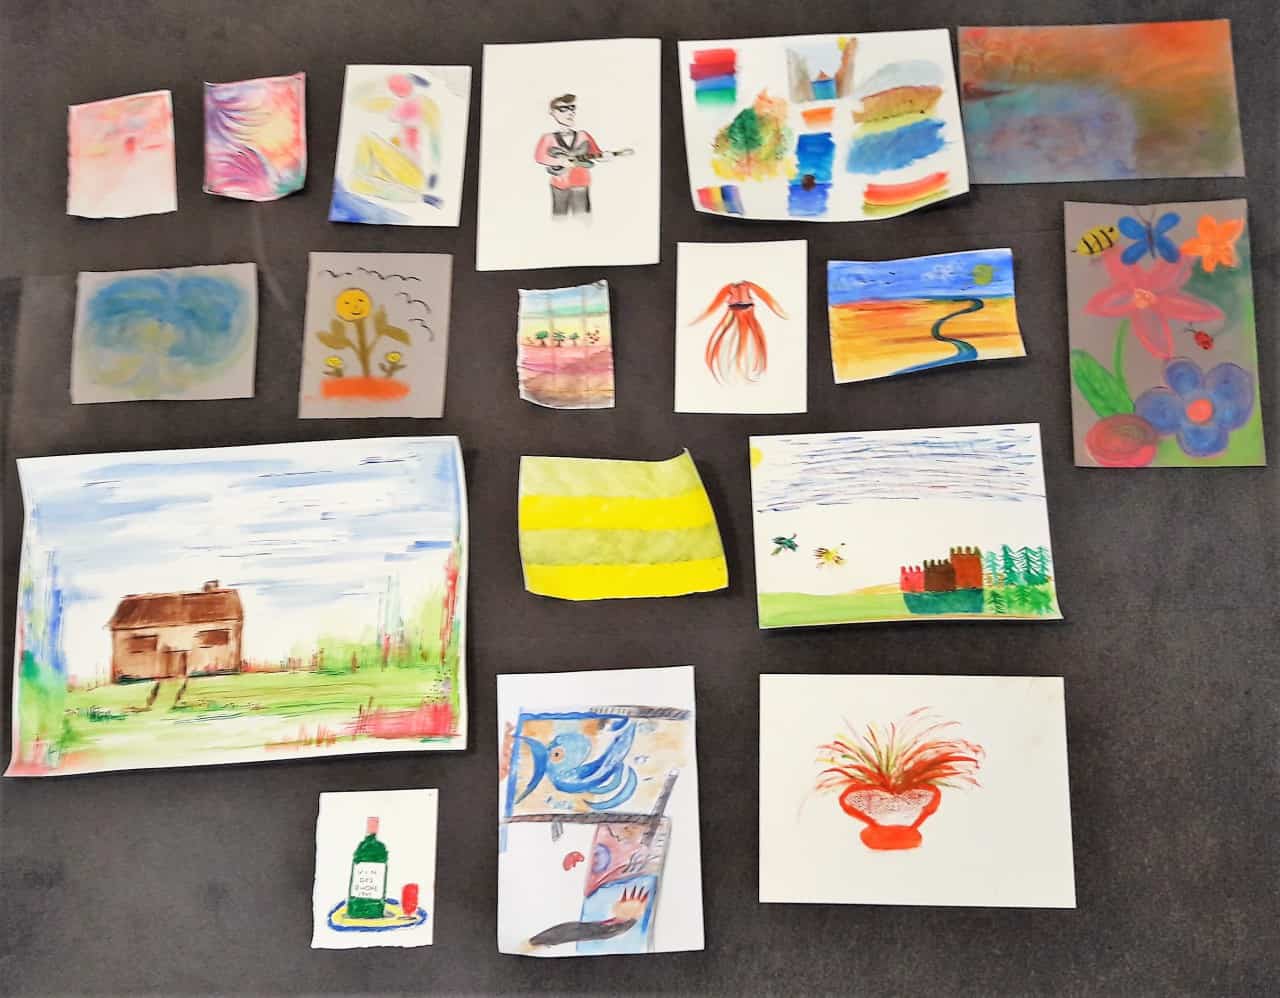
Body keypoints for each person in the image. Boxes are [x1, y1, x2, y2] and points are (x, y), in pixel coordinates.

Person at [534, 94, 632, 217]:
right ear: (552, 112)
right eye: (563, 109)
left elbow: (596, 154)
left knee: (582, 216)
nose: (570, 112)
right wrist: (560, 162)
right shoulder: (548, 138)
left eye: (572, 108)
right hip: (558, 183)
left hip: (581, 183)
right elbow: (540, 157)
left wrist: (608, 156)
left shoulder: (583, 135)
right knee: (559, 215)